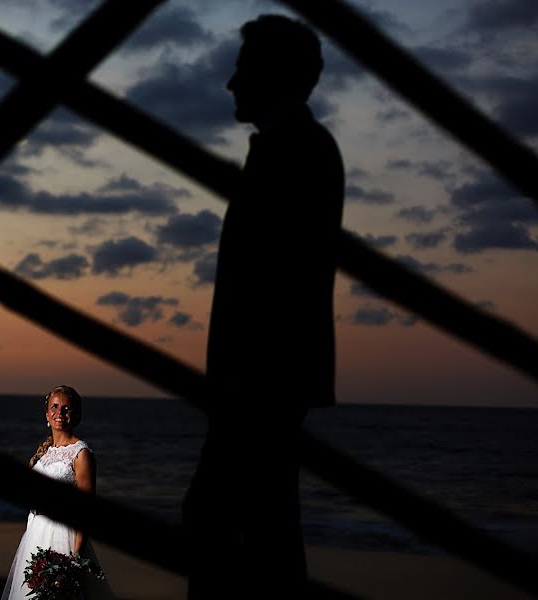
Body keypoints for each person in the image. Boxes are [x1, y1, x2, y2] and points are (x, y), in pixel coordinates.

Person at [183, 15, 345, 599]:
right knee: (261, 525)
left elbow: (277, 282)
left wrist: (238, 377)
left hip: (263, 378)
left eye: (243, 68)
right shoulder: (290, 148)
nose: (230, 83)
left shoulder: (297, 151)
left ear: (272, 75)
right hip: (263, 379)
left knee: (222, 518)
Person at [0, 385, 114, 600]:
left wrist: (75, 557)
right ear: (46, 413)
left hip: (62, 537)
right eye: (55, 407)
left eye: (66, 408)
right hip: (35, 534)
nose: (60, 413)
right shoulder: (45, 452)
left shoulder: (81, 453)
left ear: (77, 415)